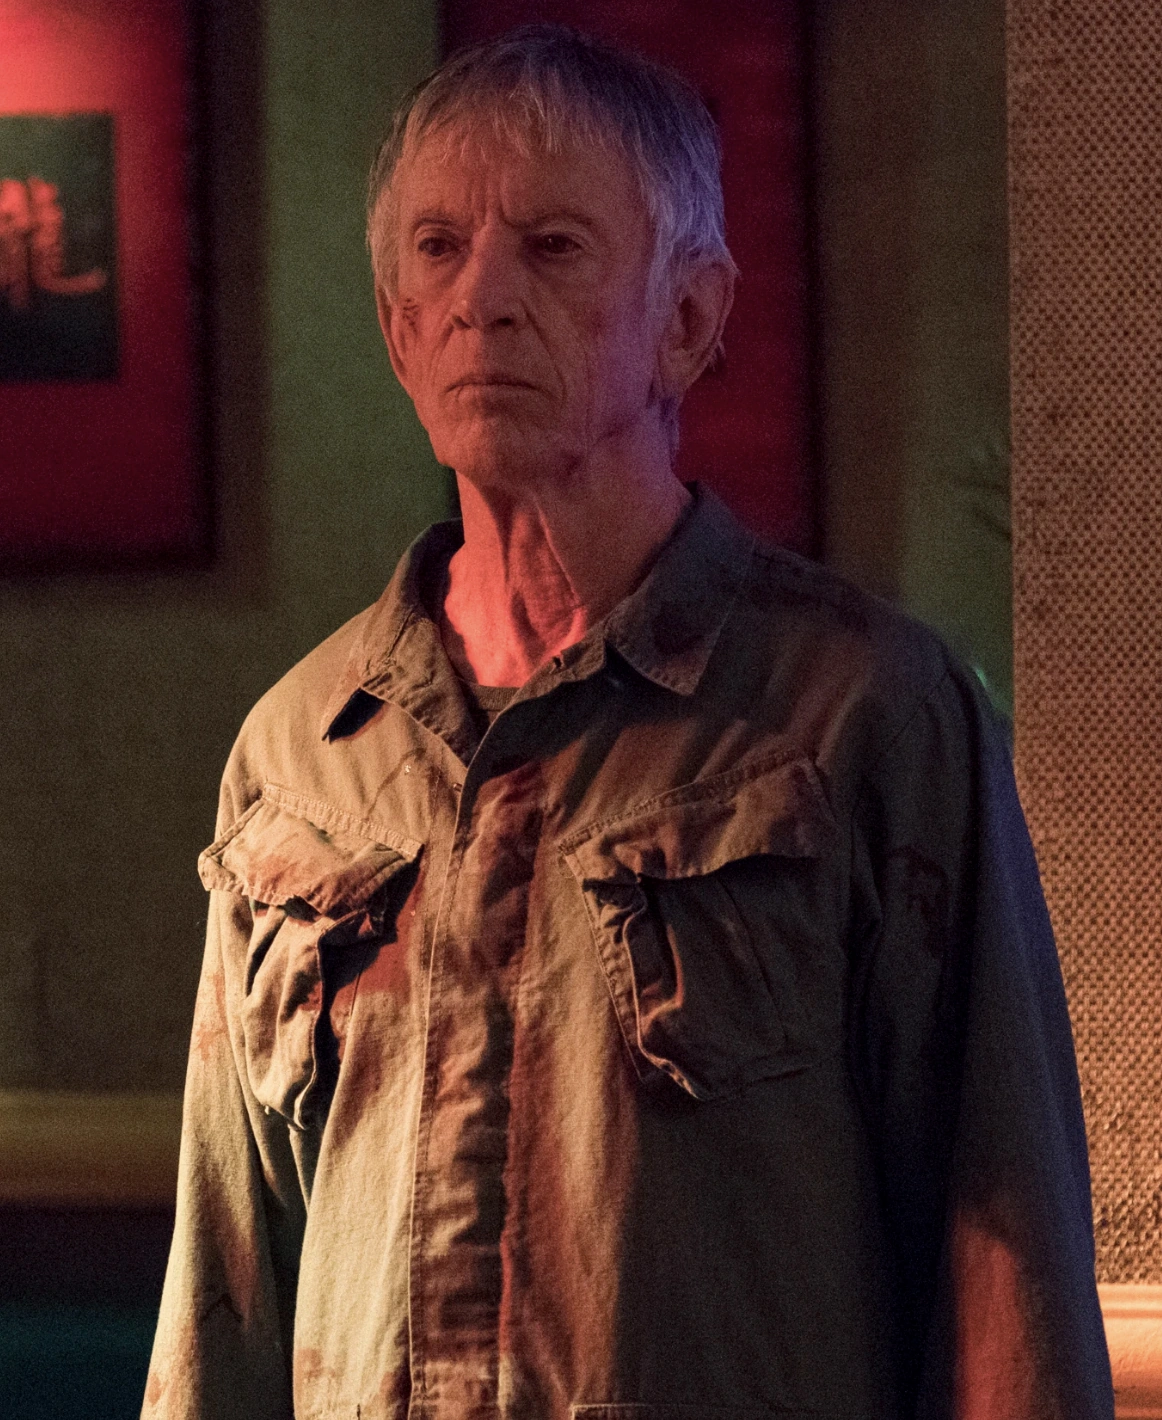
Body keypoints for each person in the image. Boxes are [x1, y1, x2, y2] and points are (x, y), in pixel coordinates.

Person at [144, 25, 1113, 1420]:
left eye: (551, 248)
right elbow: (224, 1287)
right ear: (396, 330)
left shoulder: (860, 717)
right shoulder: (301, 756)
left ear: (690, 319)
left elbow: (1000, 1259)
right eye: (436, 251)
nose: (482, 299)